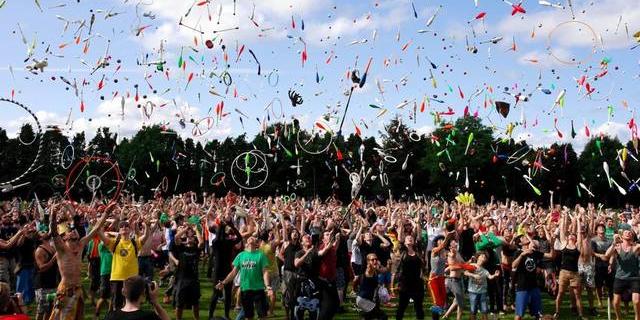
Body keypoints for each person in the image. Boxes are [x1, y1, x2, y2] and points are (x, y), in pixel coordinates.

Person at [48, 202, 110, 320]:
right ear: (65, 238)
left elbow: (96, 228)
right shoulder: (62, 248)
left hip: (78, 289)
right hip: (66, 290)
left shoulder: (81, 244)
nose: (73, 231)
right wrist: (53, 214)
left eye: (74, 230)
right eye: (70, 231)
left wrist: (106, 213)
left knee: (79, 316)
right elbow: (54, 232)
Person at [98, 215, 151, 311]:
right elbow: (102, 236)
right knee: (117, 305)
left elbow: (146, 236)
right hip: (117, 278)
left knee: (133, 304)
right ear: (119, 231)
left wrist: (146, 225)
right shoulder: (114, 243)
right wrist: (99, 225)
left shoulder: (135, 243)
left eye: (126, 226)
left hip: (132, 279)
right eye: (121, 226)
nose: (124, 227)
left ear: (130, 230)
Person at [216, 235, 271, 320]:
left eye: (253, 238)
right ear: (246, 244)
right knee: (248, 317)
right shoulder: (241, 255)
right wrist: (224, 282)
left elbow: (265, 272)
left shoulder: (261, 255)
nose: (251, 238)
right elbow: (234, 272)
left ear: (256, 244)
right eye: (249, 238)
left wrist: (268, 286)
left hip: (259, 289)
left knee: (263, 316)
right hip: (245, 290)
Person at [208, 208, 243, 320]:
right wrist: (230, 225)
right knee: (227, 294)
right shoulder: (228, 242)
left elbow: (219, 236)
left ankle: (210, 316)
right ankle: (227, 315)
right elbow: (240, 237)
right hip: (226, 269)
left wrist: (223, 225)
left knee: (216, 294)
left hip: (218, 269)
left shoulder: (216, 242)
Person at [554, 212, 585, 319]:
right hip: (563, 272)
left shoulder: (578, 246)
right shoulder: (564, 244)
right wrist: (564, 217)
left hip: (575, 274)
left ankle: (581, 315)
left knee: (577, 295)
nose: (571, 235)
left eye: (573, 235)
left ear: (575, 238)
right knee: (560, 293)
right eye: (570, 235)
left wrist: (577, 220)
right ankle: (557, 312)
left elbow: (579, 233)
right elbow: (562, 230)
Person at [605, 229, 640, 320]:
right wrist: (613, 243)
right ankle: (618, 318)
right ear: (622, 236)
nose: (628, 234)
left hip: (634, 277)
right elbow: (607, 255)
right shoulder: (617, 246)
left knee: (636, 301)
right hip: (620, 277)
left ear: (632, 236)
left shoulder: (636, 247)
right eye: (626, 232)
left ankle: (637, 317)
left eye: (630, 233)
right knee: (616, 302)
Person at [172, 223, 204, 320]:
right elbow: (176, 237)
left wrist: (196, 230)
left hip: (193, 279)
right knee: (179, 304)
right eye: (188, 237)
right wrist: (186, 229)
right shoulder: (182, 248)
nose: (190, 238)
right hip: (182, 279)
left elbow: (201, 242)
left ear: (194, 240)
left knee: (195, 303)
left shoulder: (196, 249)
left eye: (192, 237)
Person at [104, 275, 170, 320]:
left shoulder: (110, 317)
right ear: (144, 293)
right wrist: (155, 302)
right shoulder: (149, 317)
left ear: (123, 291)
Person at [464, 251, 500, 320]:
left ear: (486, 260)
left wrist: (495, 275)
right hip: (473, 291)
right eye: (482, 256)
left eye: (485, 257)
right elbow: (465, 272)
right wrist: (474, 275)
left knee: (484, 310)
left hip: (482, 292)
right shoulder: (472, 265)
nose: (483, 257)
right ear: (478, 257)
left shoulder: (484, 270)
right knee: (473, 310)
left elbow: (489, 277)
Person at [34, 230, 58, 320]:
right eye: (42, 231)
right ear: (40, 238)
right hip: (43, 285)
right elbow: (42, 268)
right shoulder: (39, 250)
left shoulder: (51, 247)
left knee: (51, 309)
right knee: (42, 310)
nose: (45, 231)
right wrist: (53, 258)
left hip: (52, 283)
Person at [356, 253, 387, 320]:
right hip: (363, 300)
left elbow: (384, 270)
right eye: (372, 260)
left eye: (376, 259)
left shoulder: (374, 270)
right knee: (382, 316)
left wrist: (389, 265)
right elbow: (355, 280)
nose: (375, 261)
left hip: (367, 299)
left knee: (369, 317)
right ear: (368, 261)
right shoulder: (369, 270)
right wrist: (354, 288)